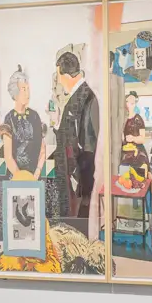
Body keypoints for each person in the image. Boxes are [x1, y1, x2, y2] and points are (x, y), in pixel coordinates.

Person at [54, 50, 100, 221]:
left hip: (78, 174)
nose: (59, 81)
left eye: (59, 77)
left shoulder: (81, 98)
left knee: (77, 221)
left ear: (66, 76)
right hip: (82, 172)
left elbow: (81, 140)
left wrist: (74, 175)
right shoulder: (87, 94)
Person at [114, 115, 152, 220]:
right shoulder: (121, 118)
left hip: (138, 152)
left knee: (148, 176)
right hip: (126, 153)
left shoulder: (137, 119)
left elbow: (142, 139)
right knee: (125, 179)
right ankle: (129, 210)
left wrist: (133, 138)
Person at [0, 66, 48, 180]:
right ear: (15, 93)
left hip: (34, 178)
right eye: (23, 89)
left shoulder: (34, 116)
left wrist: (36, 174)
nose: (27, 93)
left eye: (28, 89)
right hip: (15, 178)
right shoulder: (9, 119)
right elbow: (8, 157)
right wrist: (21, 177)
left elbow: (42, 151)